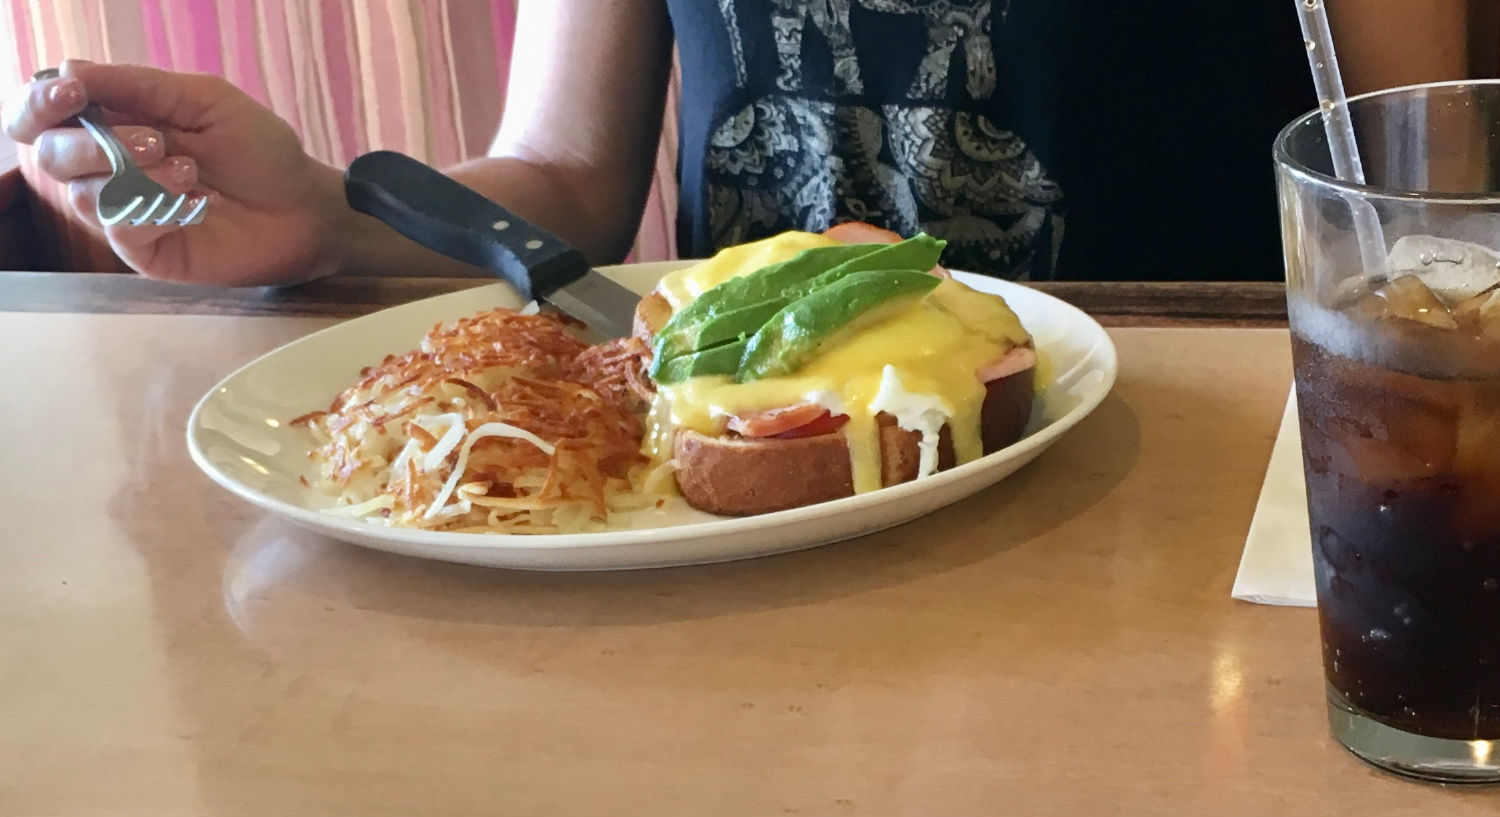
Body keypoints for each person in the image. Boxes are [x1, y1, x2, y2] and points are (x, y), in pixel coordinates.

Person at [2, 0, 1468, 289]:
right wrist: (325, 216)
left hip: (1158, 511)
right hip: (760, 515)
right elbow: (563, 183)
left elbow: (1428, 210)